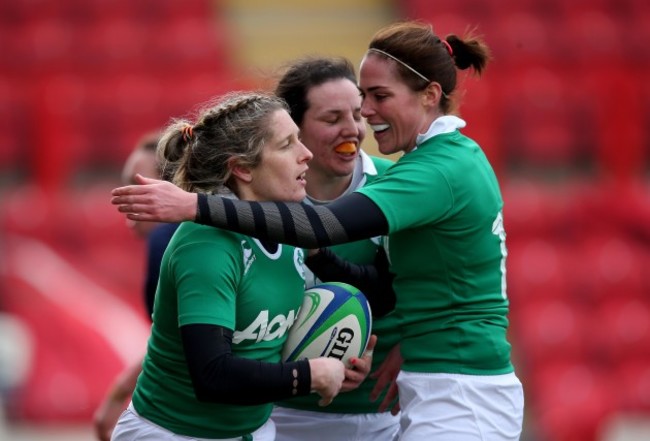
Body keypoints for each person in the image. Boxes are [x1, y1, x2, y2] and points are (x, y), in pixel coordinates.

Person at [111, 21, 525, 440]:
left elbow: (326, 235)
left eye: (378, 97)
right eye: (293, 140)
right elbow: (204, 363)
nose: (363, 116)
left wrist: (194, 205)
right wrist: (324, 364)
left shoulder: (424, 173)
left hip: (455, 391)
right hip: (256, 420)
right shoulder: (219, 240)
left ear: (431, 95)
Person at [110, 91, 365, 441]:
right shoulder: (206, 244)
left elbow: (374, 291)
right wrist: (310, 375)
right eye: (287, 144)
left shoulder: (292, 227)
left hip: (254, 430)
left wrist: (342, 353)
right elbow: (212, 376)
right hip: (173, 433)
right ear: (242, 168)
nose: (306, 154)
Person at [270, 56, 401, 441]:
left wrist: (409, 344)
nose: (353, 130)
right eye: (331, 120)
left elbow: (433, 289)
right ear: (294, 129)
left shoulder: (397, 188)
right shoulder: (261, 198)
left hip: (375, 415)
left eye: (358, 115)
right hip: (276, 412)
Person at [93, 132, 180, 441]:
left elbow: (181, 343)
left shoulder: (169, 240)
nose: (124, 198)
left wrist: (120, 391)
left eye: (136, 185)